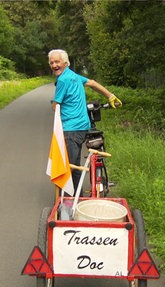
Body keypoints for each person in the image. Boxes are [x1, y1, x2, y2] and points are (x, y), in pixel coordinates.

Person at [48, 49, 122, 196]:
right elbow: (93, 83)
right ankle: (78, 195)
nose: (54, 65)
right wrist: (110, 95)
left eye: (57, 61)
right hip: (83, 127)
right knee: (75, 163)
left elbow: (56, 106)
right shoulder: (74, 76)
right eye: (51, 62)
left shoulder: (63, 80)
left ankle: (72, 200)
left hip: (70, 129)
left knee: (70, 166)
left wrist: (53, 104)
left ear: (65, 62)